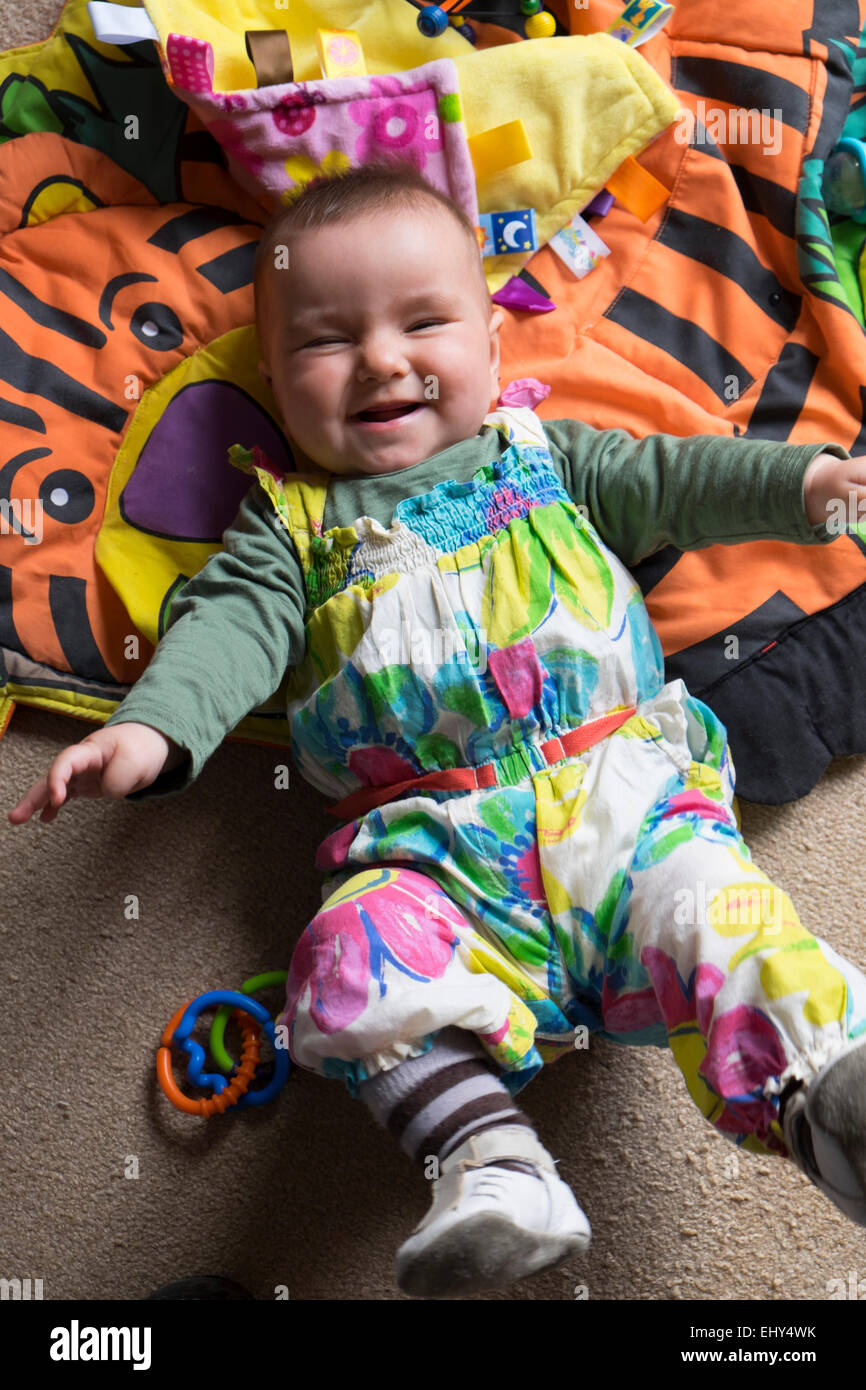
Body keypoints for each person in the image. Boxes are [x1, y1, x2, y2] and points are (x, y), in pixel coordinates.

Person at [9, 161, 866, 1299]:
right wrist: (153, 731)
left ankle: (827, 1101)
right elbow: (224, 633)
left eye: (424, 322)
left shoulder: (550, 459)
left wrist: (803, 480)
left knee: (723, 917)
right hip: (428, 855)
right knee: (342, 963)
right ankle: (489, 1163)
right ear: (273, 376)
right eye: (327, 340)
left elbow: (680, 477)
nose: (379, 358)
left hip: (623, 800)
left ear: (494, 348)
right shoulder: (290, 529)